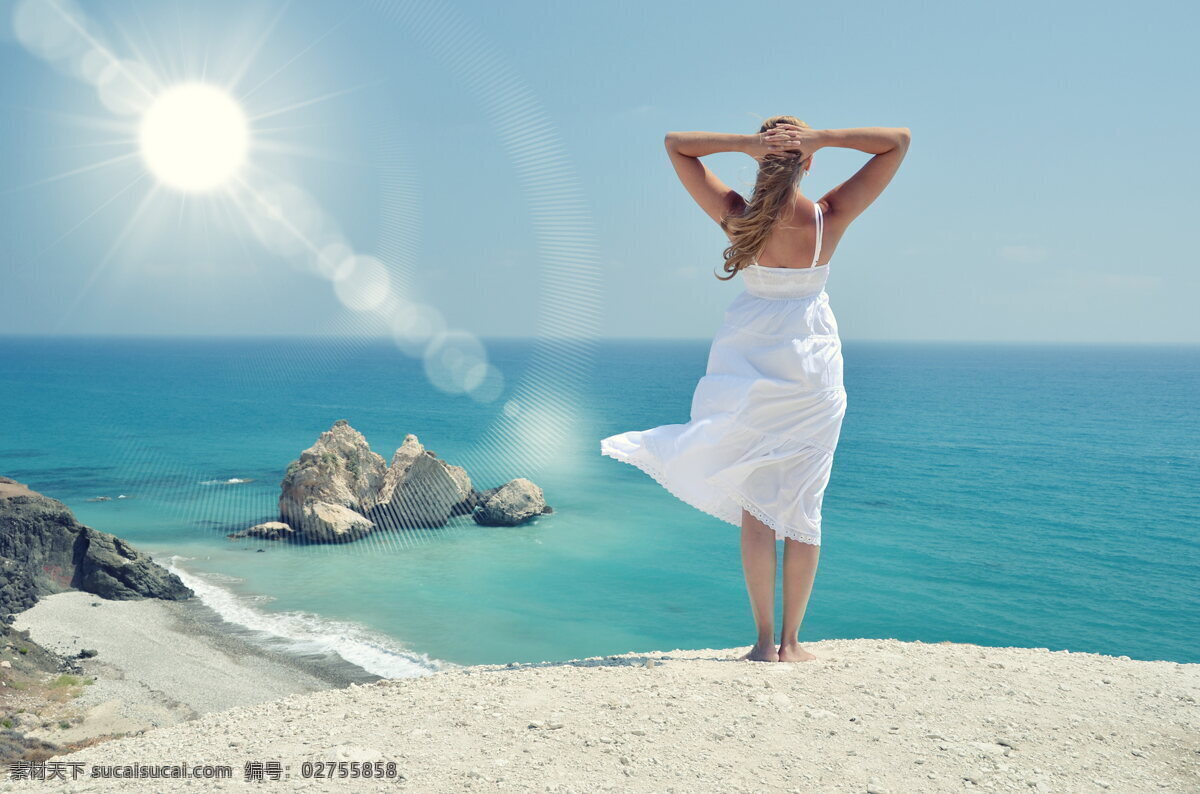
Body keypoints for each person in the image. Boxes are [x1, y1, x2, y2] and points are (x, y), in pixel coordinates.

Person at [601, 116, 911, 662]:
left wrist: (746, 146)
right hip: (812, 373)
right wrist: (823, 139)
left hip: (746, 368)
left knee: (757, 503)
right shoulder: (827, 218)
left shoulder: (739, 219)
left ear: (761, 160)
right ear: (807, 162)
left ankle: (764, 642)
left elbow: (677, 146)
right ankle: (793, 644)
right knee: (803, 503)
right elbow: (898, 143)